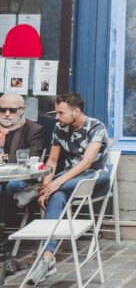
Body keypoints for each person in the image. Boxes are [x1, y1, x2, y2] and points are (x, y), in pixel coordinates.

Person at [27, 93, 110, 285]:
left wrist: (52, 184)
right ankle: (47, 258)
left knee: (57, 189)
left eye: (60, 113)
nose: (57, 117)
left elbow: (86, 163)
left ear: (76, 111)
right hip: (69, 180)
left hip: (94, 178)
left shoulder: (96, 127)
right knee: (56, 196)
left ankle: (33, 190)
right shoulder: (60, 127)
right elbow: (53, 160)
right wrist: (48, 183)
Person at [0, 93, 44, 217]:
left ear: (22, 110)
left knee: (14, 185)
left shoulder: (33, 129)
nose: (7, 114)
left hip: (18, 177)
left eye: (12, 110)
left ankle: (4, 223)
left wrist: (4, 157)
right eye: (2, 109)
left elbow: (33, 154)